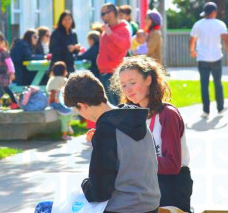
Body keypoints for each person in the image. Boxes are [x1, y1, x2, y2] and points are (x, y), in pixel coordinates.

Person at [34, 71, 161, 213]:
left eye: (78, 110)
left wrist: (83, 184)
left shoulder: (107, 131)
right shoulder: (135, 118)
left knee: (45, 208)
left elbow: (99, 192)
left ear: (82, 105)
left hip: (123, 207)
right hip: (151, 204)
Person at [111, 56, 193, 212]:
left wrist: (135, 162)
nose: (128, 89)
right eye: (123, 85)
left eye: (133, 83)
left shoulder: (167, 114)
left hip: (171, 186)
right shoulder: (132, 116)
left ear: (148, 79)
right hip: (147, 185)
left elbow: (172, 165)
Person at [189, 2, 228, 118]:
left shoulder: (198, 24)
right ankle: (220, 108)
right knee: (218, 83)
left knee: (204, 84)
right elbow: (226, 41)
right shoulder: (220, 24)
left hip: (202, 58)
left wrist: (192, 51)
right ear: (214, 12)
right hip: (216, 57)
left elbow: (192, 39)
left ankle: (206, 111)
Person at [97, 3, 131, 106]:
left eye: (103, 14)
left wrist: (110, 33)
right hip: (104, 73)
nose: (101, 17)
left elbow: (125, 45)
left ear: (111, 13)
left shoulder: (123, 29)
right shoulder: (106, 30)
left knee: (118, 106)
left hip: (114, 74)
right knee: (110, 107)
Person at [46, 61, 75, 140]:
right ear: (64, 71)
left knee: (68, 112)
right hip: (59, 104)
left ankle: (68, 127)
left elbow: (48, 90)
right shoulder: (64, 80)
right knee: (67, 115)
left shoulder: (51, 79)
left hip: (51, 103)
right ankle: (64, 134)